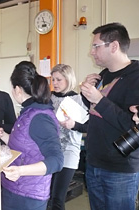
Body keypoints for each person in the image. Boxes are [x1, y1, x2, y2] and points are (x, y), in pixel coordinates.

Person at [80, 22, 139, 210]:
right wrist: (86, 95)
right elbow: (97, 114)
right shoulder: (104, 75)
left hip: (120, 168)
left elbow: (132, 124)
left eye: (95, 46)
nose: (92, 52)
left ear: (113, 46)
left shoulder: (136, 78)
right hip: (94, 162)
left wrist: (100, 100)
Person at [0, 61, 64, 210]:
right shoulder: (28, 112)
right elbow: (25, 145)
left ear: (18, 90)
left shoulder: (40, 118)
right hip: (14, 189)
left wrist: (20, 171)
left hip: (28, 196)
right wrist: (3, 135)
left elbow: (56, 160)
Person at [48, 64, 88, 210]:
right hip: (49, 152)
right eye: (53, 80)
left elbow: (89, 126)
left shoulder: (78, 100)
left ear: (68, 79)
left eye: (59, 79)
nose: (55, 83)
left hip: (69, 153)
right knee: (47, 196)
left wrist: (74, 125)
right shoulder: (48, 99)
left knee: (58, 198)